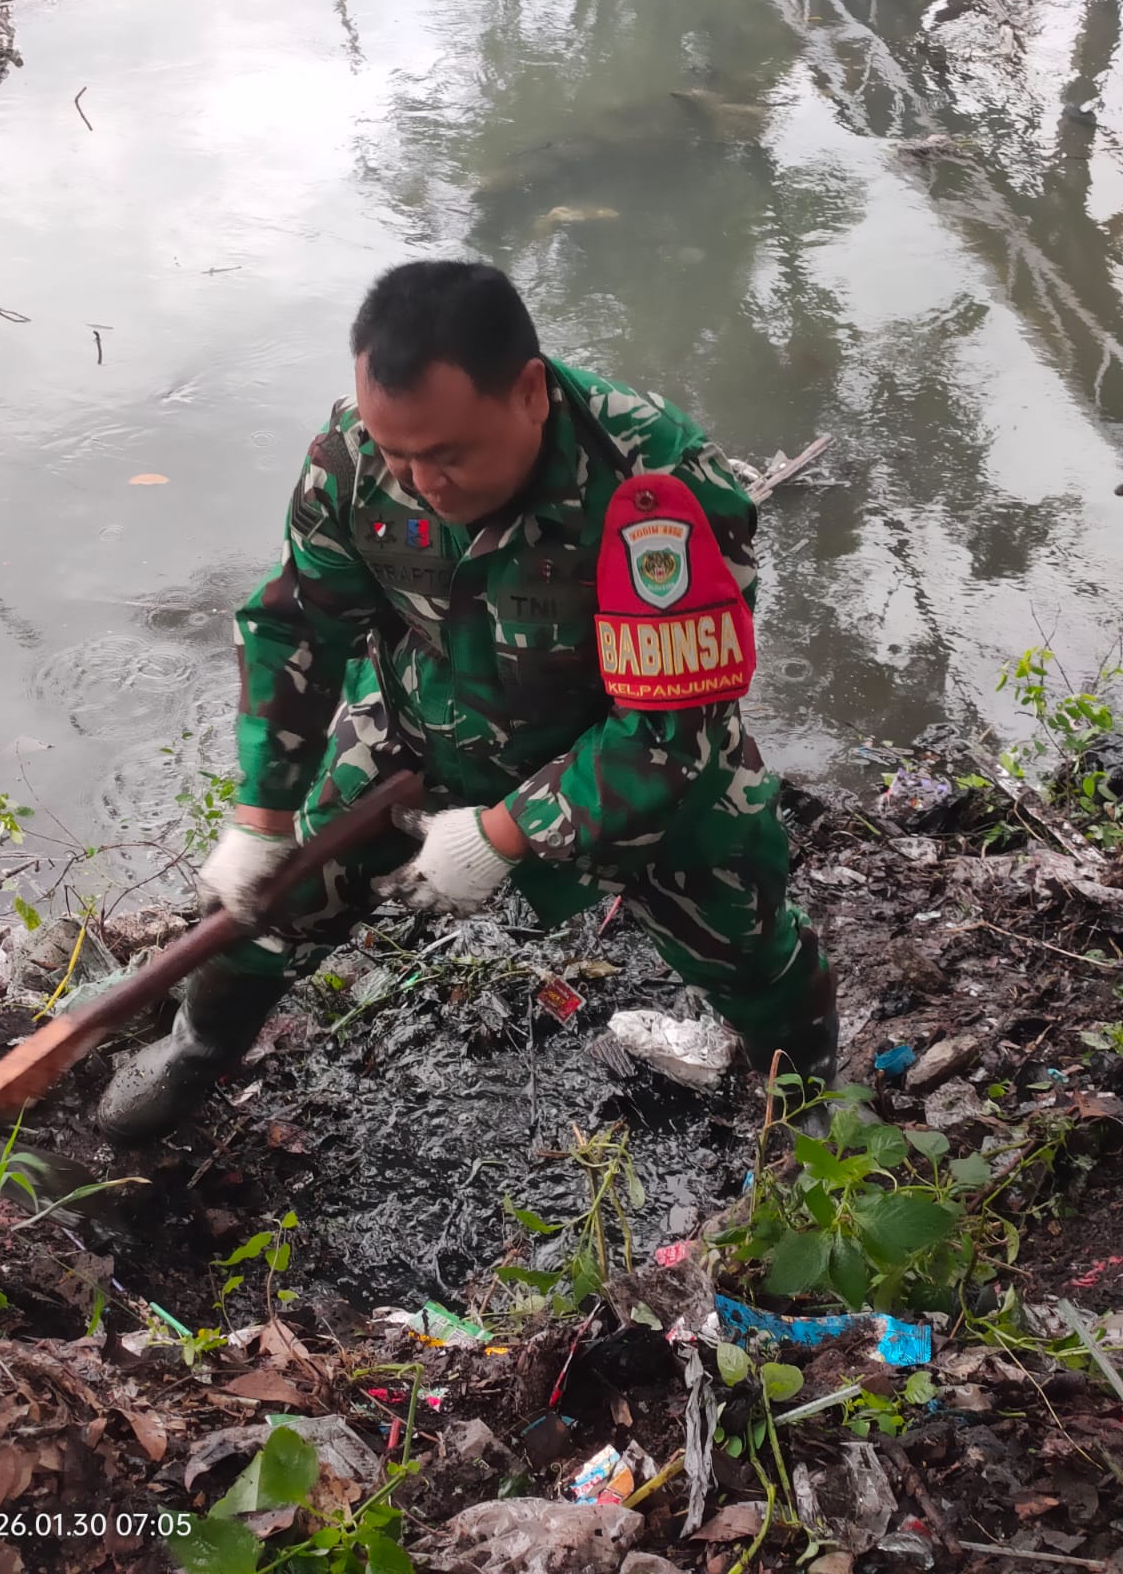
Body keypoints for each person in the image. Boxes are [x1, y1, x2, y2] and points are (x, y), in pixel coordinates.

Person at [96, 261, 837, 1143]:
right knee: (273, 894)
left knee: (742, 939)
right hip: (421, 730)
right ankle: (194, 1052)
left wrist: (504, 834)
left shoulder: (656, 487)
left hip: (622, 752)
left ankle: (803, 1104)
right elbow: (301, 626)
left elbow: (674, 728)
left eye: (447, 455)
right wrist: (261, 811)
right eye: (398, 452)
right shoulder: (355, 459)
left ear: (528, 393)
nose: (419, 482)